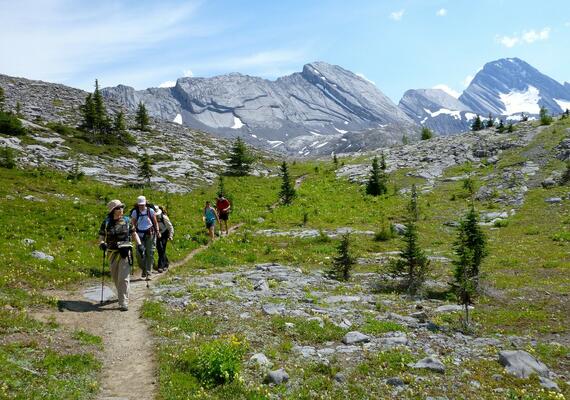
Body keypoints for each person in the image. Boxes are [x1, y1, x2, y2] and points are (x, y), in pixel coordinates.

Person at [98, 200, 142, 311]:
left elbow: (133, 233)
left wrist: (139, 245)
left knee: (123, 278)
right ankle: (122, 293)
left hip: (125, 252)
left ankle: (123, 302)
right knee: (115, 277)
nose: (121, 209)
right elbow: (102, 236)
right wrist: (102, 243)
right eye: (119, 208)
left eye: (122, 207)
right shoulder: (107, 222)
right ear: (113, 210)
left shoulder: (127, 220)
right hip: (112, 253)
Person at [131, 195, 160, 279]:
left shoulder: (150, 211)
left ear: (145, 204)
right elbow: (133, 224)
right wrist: (132, 234)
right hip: (139, 235)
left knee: (150, 253)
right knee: (139, 254)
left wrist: (157, 231)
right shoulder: (135, 212)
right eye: (140, 205)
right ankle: (143, 269)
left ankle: (148, 272)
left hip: (150, 234)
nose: (141, 206)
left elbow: (155, 222)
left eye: (143, 204)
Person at [155, 205, 174, 273]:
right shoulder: (152, 218)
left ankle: (160, 266)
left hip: (164, 234)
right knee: (160, 249)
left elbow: (170, 227)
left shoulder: (164, 217)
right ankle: (166, 263)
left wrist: (171, 235)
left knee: (162, 249)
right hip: (157, 234)